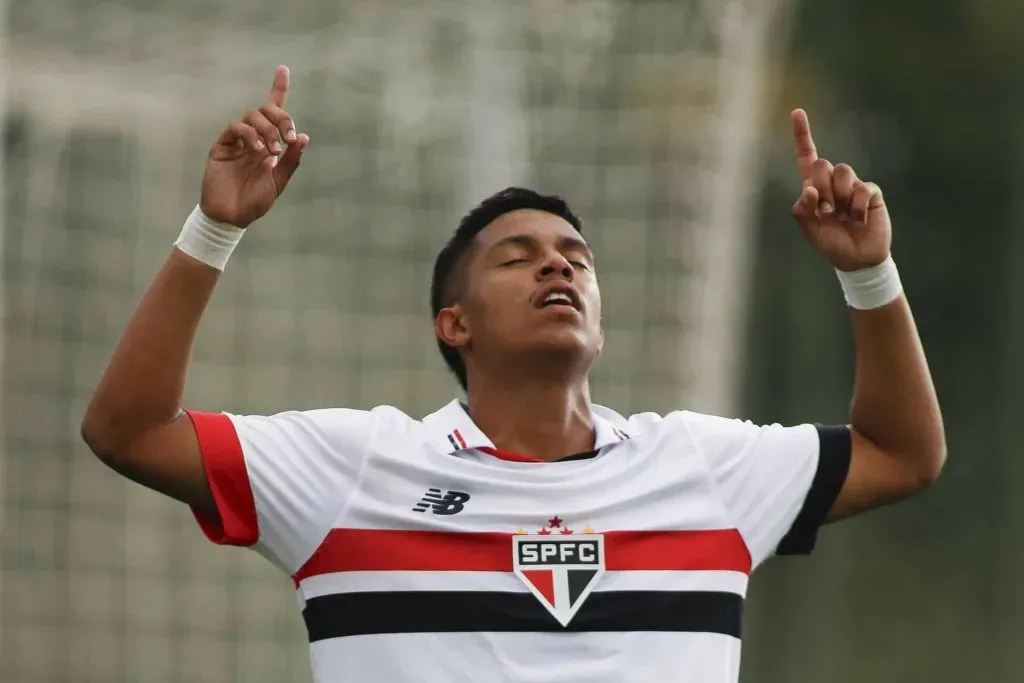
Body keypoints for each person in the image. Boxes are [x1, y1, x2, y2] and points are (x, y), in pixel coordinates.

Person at [81, 66, 946, 683]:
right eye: (519, 258)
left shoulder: (701, 468)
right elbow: (127, 431)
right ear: (452, 324)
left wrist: (868, 274)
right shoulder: (357, 466)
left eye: (576, 258)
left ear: (601, 320)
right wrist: (214, 229)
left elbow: (904, 452)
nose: (557, 268)